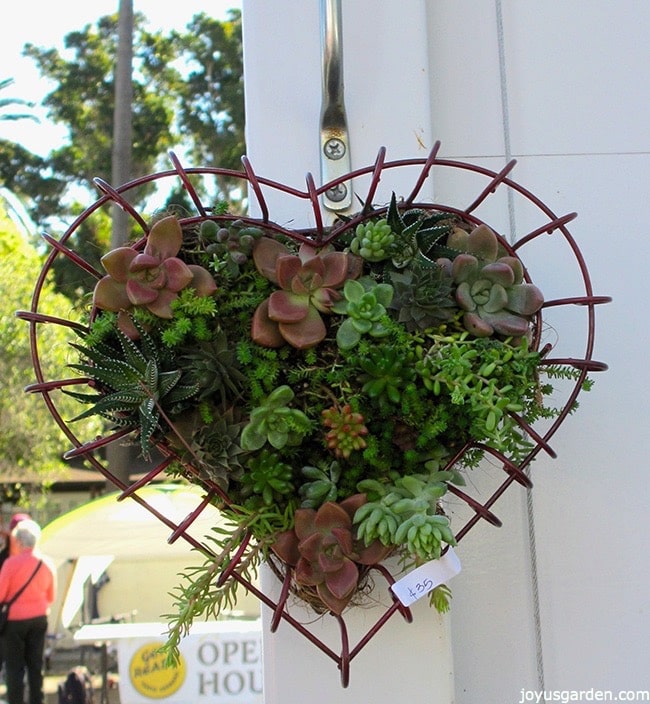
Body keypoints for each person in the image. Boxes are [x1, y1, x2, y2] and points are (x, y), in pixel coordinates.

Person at [0, 519, 56, 704]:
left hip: (15, 621)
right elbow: (51, 596)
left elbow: (1, 594)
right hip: (39, 617)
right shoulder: (46, 563)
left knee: (14, 667)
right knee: (35, 665)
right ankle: (37, 700)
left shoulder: (10, 564)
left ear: (18, 541)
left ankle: (16, 701)